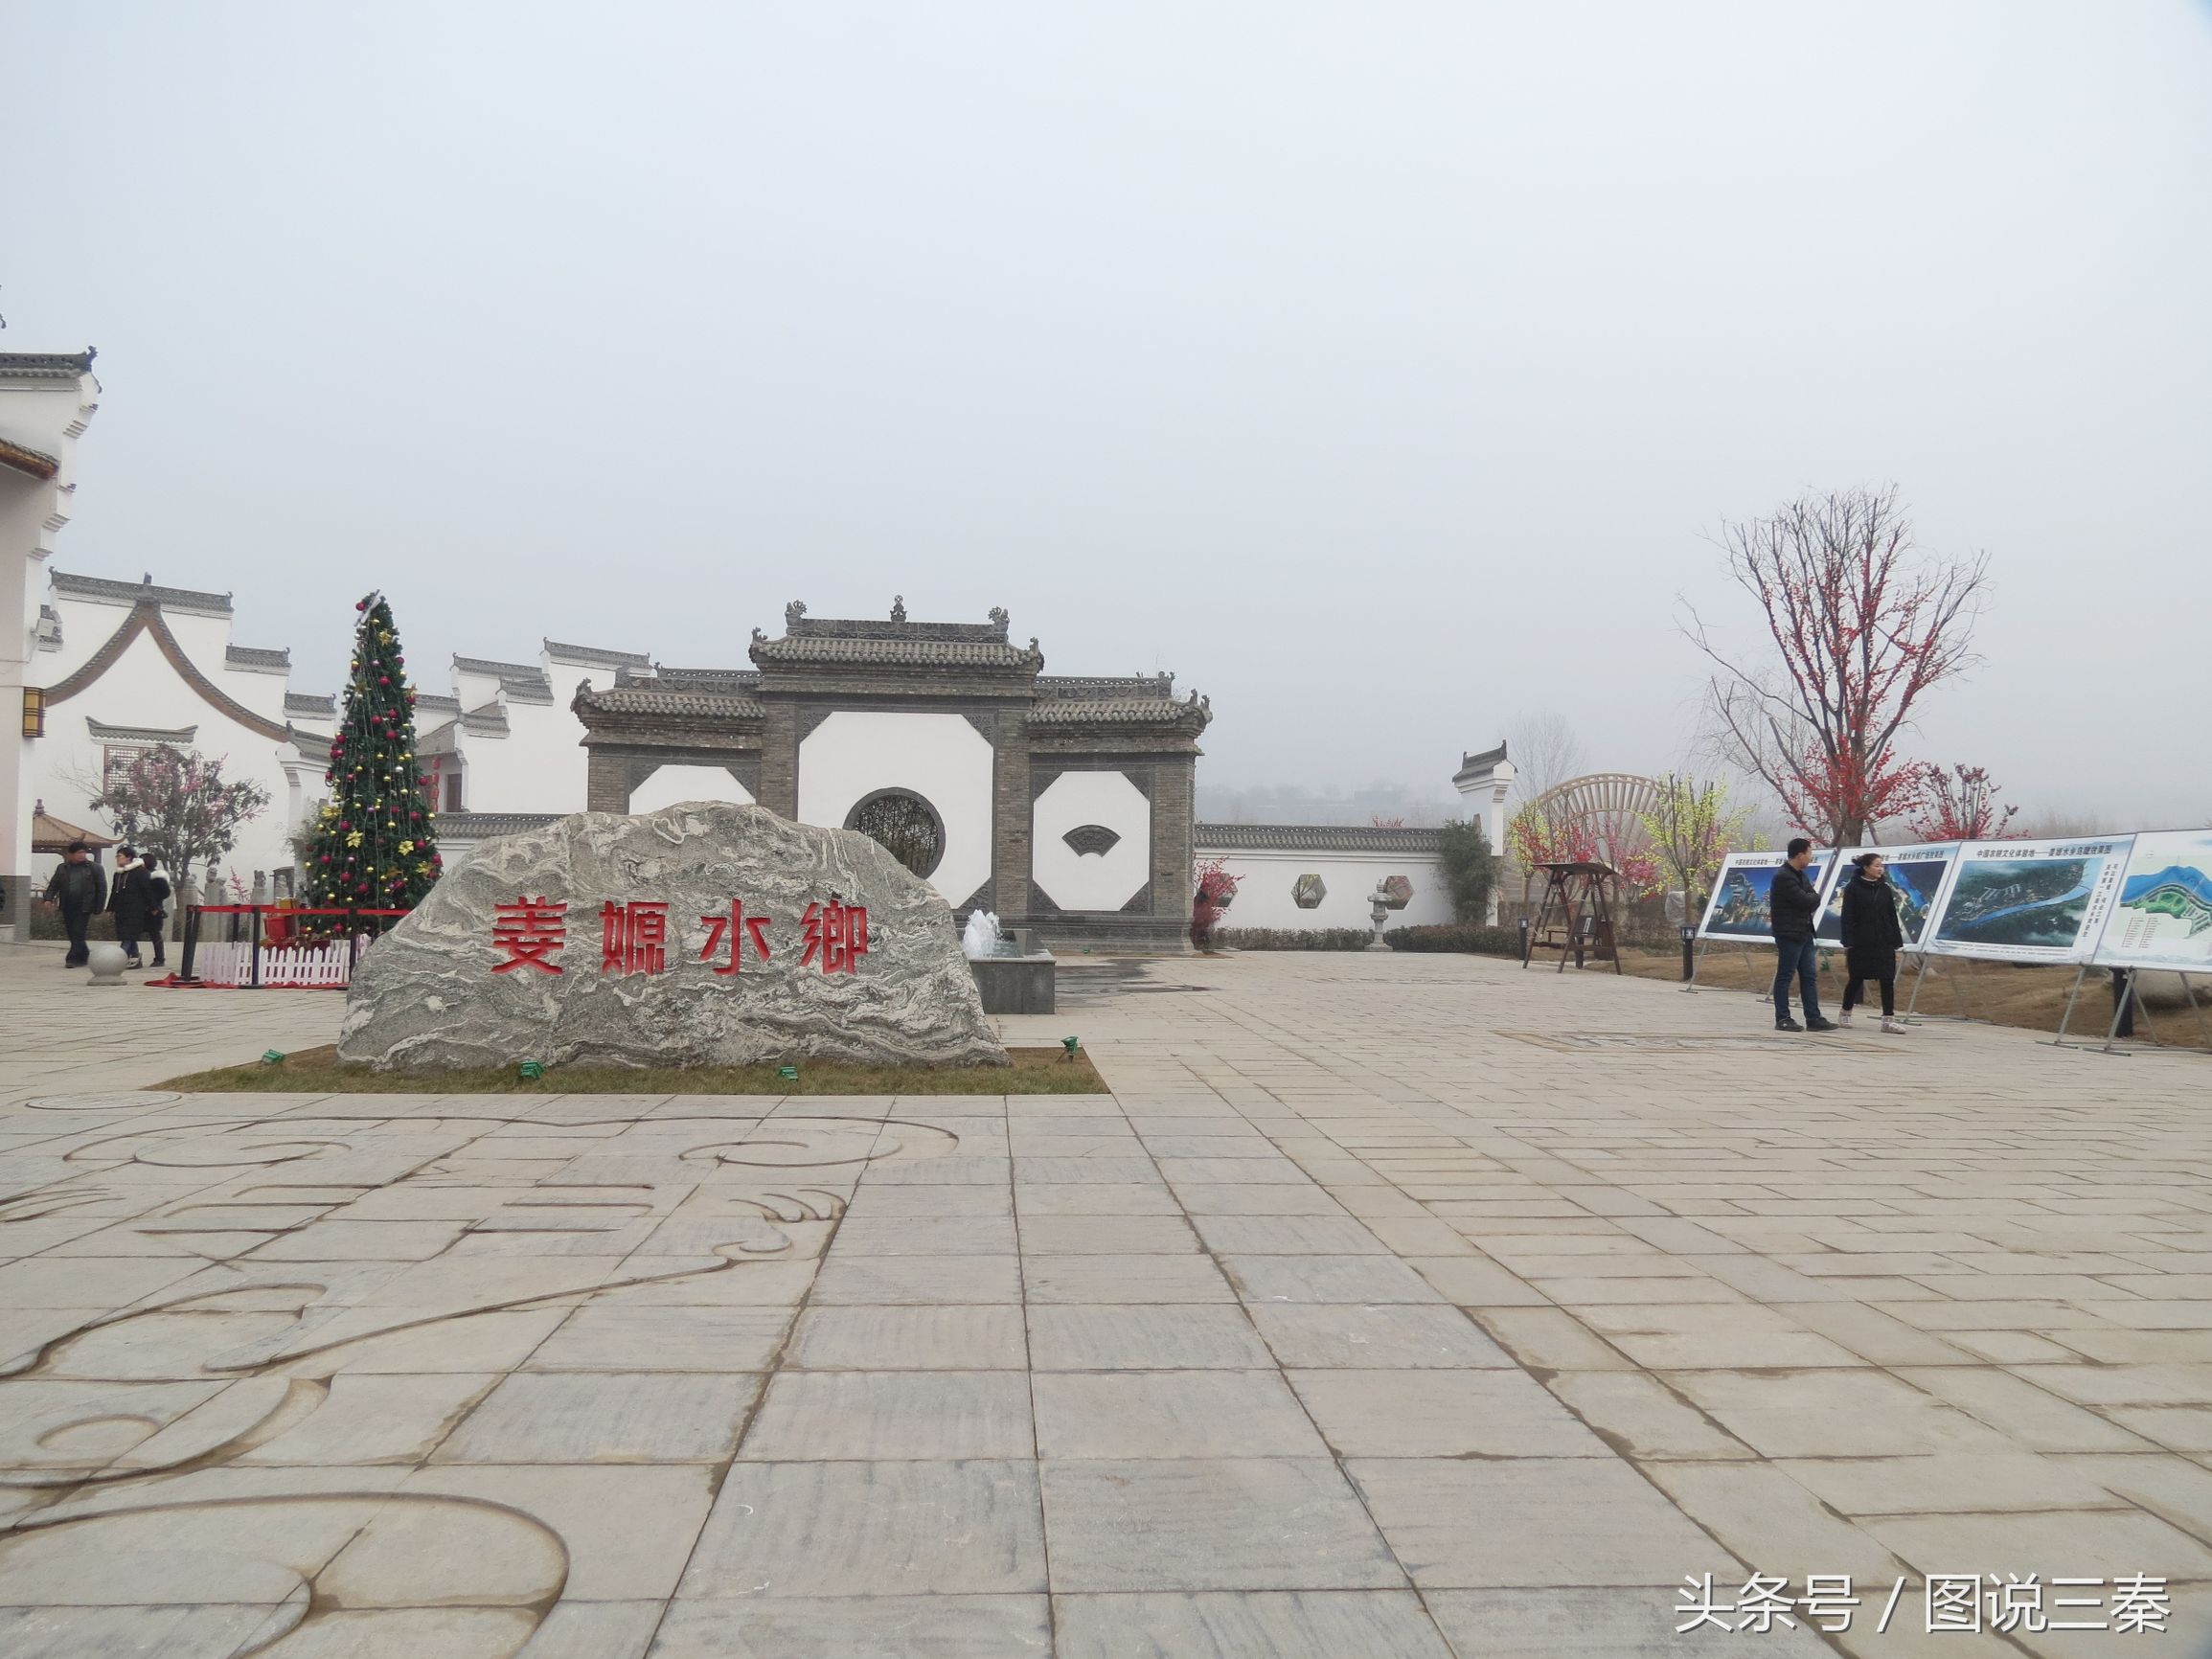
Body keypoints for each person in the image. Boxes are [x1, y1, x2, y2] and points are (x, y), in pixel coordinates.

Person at [1836, 852, 1909, 1034]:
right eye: (1876, 865)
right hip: (1861, 942)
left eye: (1881, 865)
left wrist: (1895, 939)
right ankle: (1845, 1012)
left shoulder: (1884, 888)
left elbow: (1892, 915)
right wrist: (1848, 940)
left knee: (1887, 978)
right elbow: (1847, 916)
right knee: (1856, 978)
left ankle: (1888, 1020)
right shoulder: (1853, 888)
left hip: (1883, 941)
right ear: (1866, 867)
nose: (1880, 869)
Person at [1768, 836, 1833, 1033]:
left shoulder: (1801, 876)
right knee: (1785, 975)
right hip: (1789, 933)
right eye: (1809, 852)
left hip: (1804, 931)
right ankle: (1783, 1017)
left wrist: (1812, 897)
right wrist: (1812, 897)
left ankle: (1813, 1017)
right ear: (1799, 855)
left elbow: (1813, 897)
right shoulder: (1784, 877)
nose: (1810, 857)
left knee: (1809, 975)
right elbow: (1806, 900)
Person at [41, 841, 108, 967]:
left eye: (84, 852)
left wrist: (99, 906)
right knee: (72, 932)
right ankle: (84, 955)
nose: (82, 855)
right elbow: (54, 884)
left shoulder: (95, 868)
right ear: (70, 854)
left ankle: (72, 958)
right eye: (79, 853)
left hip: (85, 906)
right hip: (68, 905)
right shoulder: (62, 868)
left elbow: (102, 888)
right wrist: (48, 899)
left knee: (78, 931)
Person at [108, 844, 157, 970]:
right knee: (129, 935)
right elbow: (114, 892)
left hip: (135, 909)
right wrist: (110, 908)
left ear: (129, 857)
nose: (118, 859)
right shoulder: (118, 874)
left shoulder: (140, 872)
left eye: (120, 856)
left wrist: (153, 907)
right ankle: (135, 957)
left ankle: (119, 959)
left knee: (127, 936)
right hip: (121, 909)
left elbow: (147, 891)